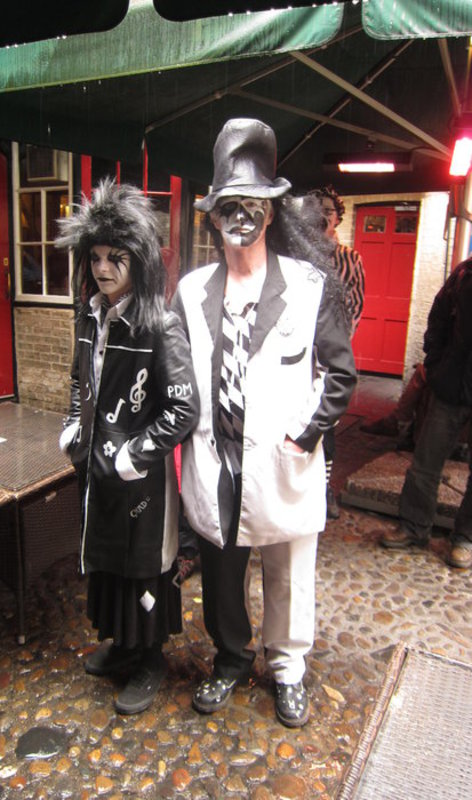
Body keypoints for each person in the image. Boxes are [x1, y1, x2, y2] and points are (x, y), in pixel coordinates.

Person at [173, 118, 357, 727]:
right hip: (216, 458)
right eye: (229, 205)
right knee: (222, 574)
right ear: (214, 215)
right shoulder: (192, 289)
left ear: (273, 212)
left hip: (285, 460)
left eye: (253, 204)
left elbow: (338, 374)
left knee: (287, 573)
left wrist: (302, 434)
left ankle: (288, 669)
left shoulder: (308, 287)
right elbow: (175, 371)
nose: (241, 217)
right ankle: (230, 658)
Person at [56, 179, 199, 714]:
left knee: (144, 566)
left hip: (141, 480)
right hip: (94, 468)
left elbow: (184, 409)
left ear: (138, 259)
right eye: (95, 257)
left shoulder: (161, 325)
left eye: (116, 257)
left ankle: (150, 658)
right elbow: (79, 380)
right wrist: (74, 423)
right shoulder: (89, 315)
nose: (103, 268)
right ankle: (121, 644)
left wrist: (134, 454)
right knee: (109, 560)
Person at [377, 257, 472, 569]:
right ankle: (414, 527)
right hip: (452, 387)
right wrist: (435, 365)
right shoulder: (464, 274)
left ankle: (464, 539)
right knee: (425, 463)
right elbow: (439, 317)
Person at [308, 186, 365, 519]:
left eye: (328, 209)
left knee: (325, 426)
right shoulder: (297, 253)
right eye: (316, 208)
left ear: (337, 217)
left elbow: (354, 308)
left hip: (329, 358)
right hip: (297, 357)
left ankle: (325, 490)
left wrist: (333, 348)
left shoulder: (350, 259)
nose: (322, 214)